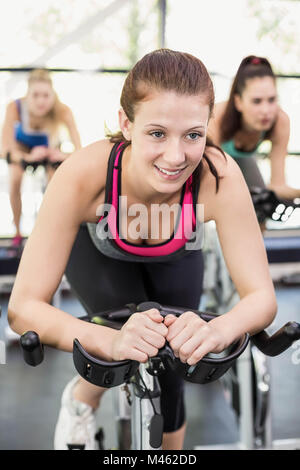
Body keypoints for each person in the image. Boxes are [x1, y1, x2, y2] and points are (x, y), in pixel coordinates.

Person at [7, 49, 277, 450]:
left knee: (174, 370)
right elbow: (23, 307)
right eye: (157, 133)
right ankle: (81, 400)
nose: (176, 156)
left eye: (193, 135)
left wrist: (216, 329)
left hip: (175, 257)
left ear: (207, 128)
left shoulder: (218, 175)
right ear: (126, 124)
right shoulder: (83, 175)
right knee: (125, 346)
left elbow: (261, 298)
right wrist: (110, 343)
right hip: (99, 253)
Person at [1, 69, 82, 247]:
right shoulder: (14, 108)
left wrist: (62, 155)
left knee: (55, 180)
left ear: (53, 95)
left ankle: (48, 230)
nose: (40, 101)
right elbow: (4, 149)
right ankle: (17, 233)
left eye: (46, 96)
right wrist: (27, 157)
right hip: (22, 149)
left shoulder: (63, 110)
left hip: (50, 148)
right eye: (35, 95)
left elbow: (79, 151)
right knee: (15, 176)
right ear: (27, 95)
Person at [208, 55, 300, 201]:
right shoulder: (216, 117)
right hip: (208, 169)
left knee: (261, 207)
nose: (266, 110)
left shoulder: (280, 121)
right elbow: (212, 177)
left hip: (244, 161)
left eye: (271, 100)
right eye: (257, 101)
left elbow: (277, 186)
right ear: (238, 102)